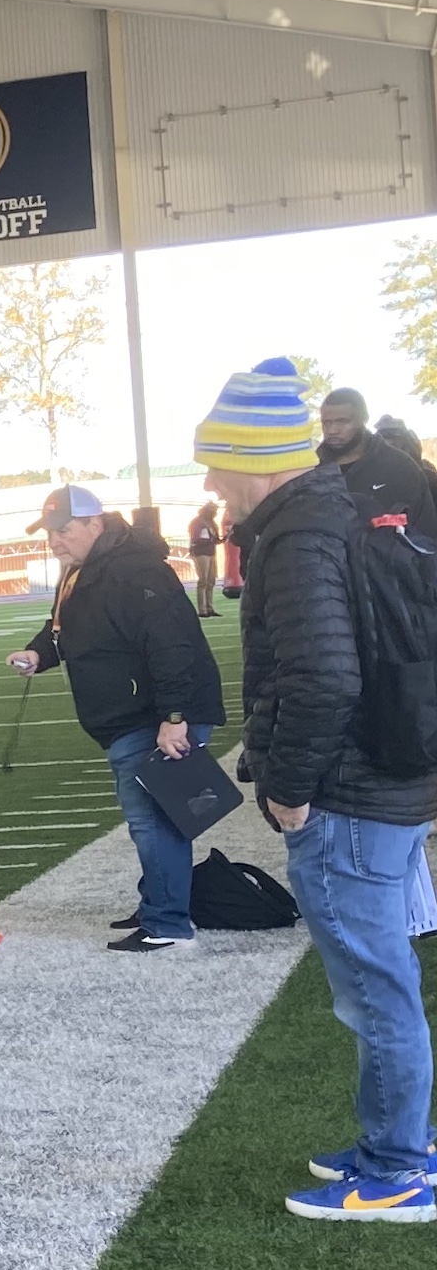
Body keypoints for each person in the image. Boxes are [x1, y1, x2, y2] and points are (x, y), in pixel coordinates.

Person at [197, 357, 437, 1222]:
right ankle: (391, 1144)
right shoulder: (337, 510)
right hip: (391, 779)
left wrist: (289, 786)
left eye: (217, 460)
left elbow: (324, 675)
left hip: (348, 792)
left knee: (376, 988)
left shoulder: (296, 536)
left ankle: (401, 1166)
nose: (212, 481)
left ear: (258, 459)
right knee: (385, 981)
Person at [7, 485, 225, 953]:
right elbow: (63, 628)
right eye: (50, 532)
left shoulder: (135, 571)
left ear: (95, 524)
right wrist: (38, 654)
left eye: (63, 530)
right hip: (133, 715)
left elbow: (172, 646)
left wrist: (174, 715)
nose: (55, 542)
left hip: (151, 716)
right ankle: (159, 905)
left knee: (153, 820)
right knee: (152, 817)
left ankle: (167, 920)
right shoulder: (86, 571)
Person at [320, 387, 436, 532]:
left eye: (342, 422)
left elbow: (427, 535)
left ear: (364, 419)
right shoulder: (309, 470)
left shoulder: (401, 468)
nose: (332, 430)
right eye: (326, 423)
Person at [373, 414, 437, 504]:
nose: (388, 445)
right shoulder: (370, 476)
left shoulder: (426, 476)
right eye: (384, 439)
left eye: (394, 442)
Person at [187, 502, 224, 619]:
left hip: (210, 552)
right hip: (200, 553)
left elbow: (215, 538)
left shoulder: (210, 523)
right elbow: (196, 539)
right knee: (203, 581)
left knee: (211, 581)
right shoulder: (197, 522)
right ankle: (202, 609)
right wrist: (212, 540)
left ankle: (209, 607)